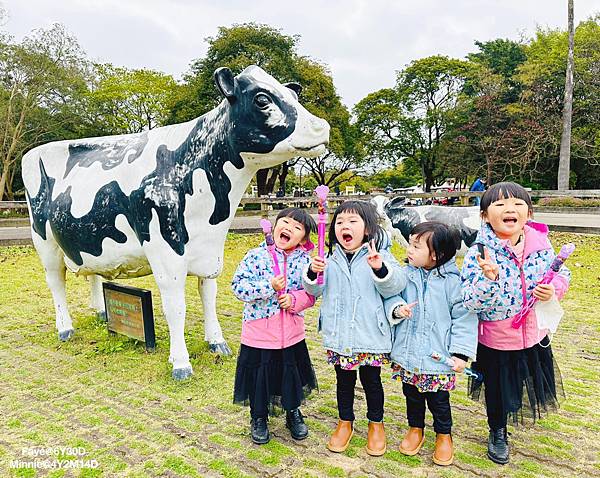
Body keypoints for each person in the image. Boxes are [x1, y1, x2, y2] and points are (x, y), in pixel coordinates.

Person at [461, 182, 570, 465]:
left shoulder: (542, 244)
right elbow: (471, 301)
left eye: (517, 203)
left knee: (524, 381)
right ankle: (497, 431)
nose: (509, 209)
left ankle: (509, 414)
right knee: (497, 389)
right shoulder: (479, 252)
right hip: (496, 339)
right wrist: (489, 280)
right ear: (484, 215)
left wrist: (554, 287)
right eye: (499, 204)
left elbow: (562, 272)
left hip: (533, 335)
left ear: (529, 213)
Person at [303, 200, 403, 456]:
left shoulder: (379, 256)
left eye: (352, 221)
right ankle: (345, 422)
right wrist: (313, 273)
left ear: (368, 230)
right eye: (339, 222)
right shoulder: (328, 259)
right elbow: (313, 290)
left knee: (372, 381)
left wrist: (379, 268)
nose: (344, 226)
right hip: (340, 335)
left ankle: (376, 423)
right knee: (343, 381)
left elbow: (395, 286)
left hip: (370, 333)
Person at [385, 222, 477, 466]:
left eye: (416, 246)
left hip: (438, 356)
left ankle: (443, 435)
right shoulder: (406, 275)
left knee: (439, 400)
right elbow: (391, 298)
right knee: (412, 395)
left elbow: (464, 318)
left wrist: (460, 354)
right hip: (408, 354)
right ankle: (415, 428)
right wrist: (397, 309)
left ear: (435, 254)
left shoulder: (453, 282)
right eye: (410, 243)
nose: (409, 250)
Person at [232, 208, 318, 445]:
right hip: (259, 334)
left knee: (290, 377)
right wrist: (268, 286)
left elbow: (310, 294)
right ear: (275, 225)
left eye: (298, 227)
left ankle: (293, 412)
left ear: (304, 238)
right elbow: (238, 287)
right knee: (260, 379)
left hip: (291, 335)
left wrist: (293, 301)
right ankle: (258, 417)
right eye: (285, 222)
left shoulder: (305, 262)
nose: (289, 227)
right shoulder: (255, 256)